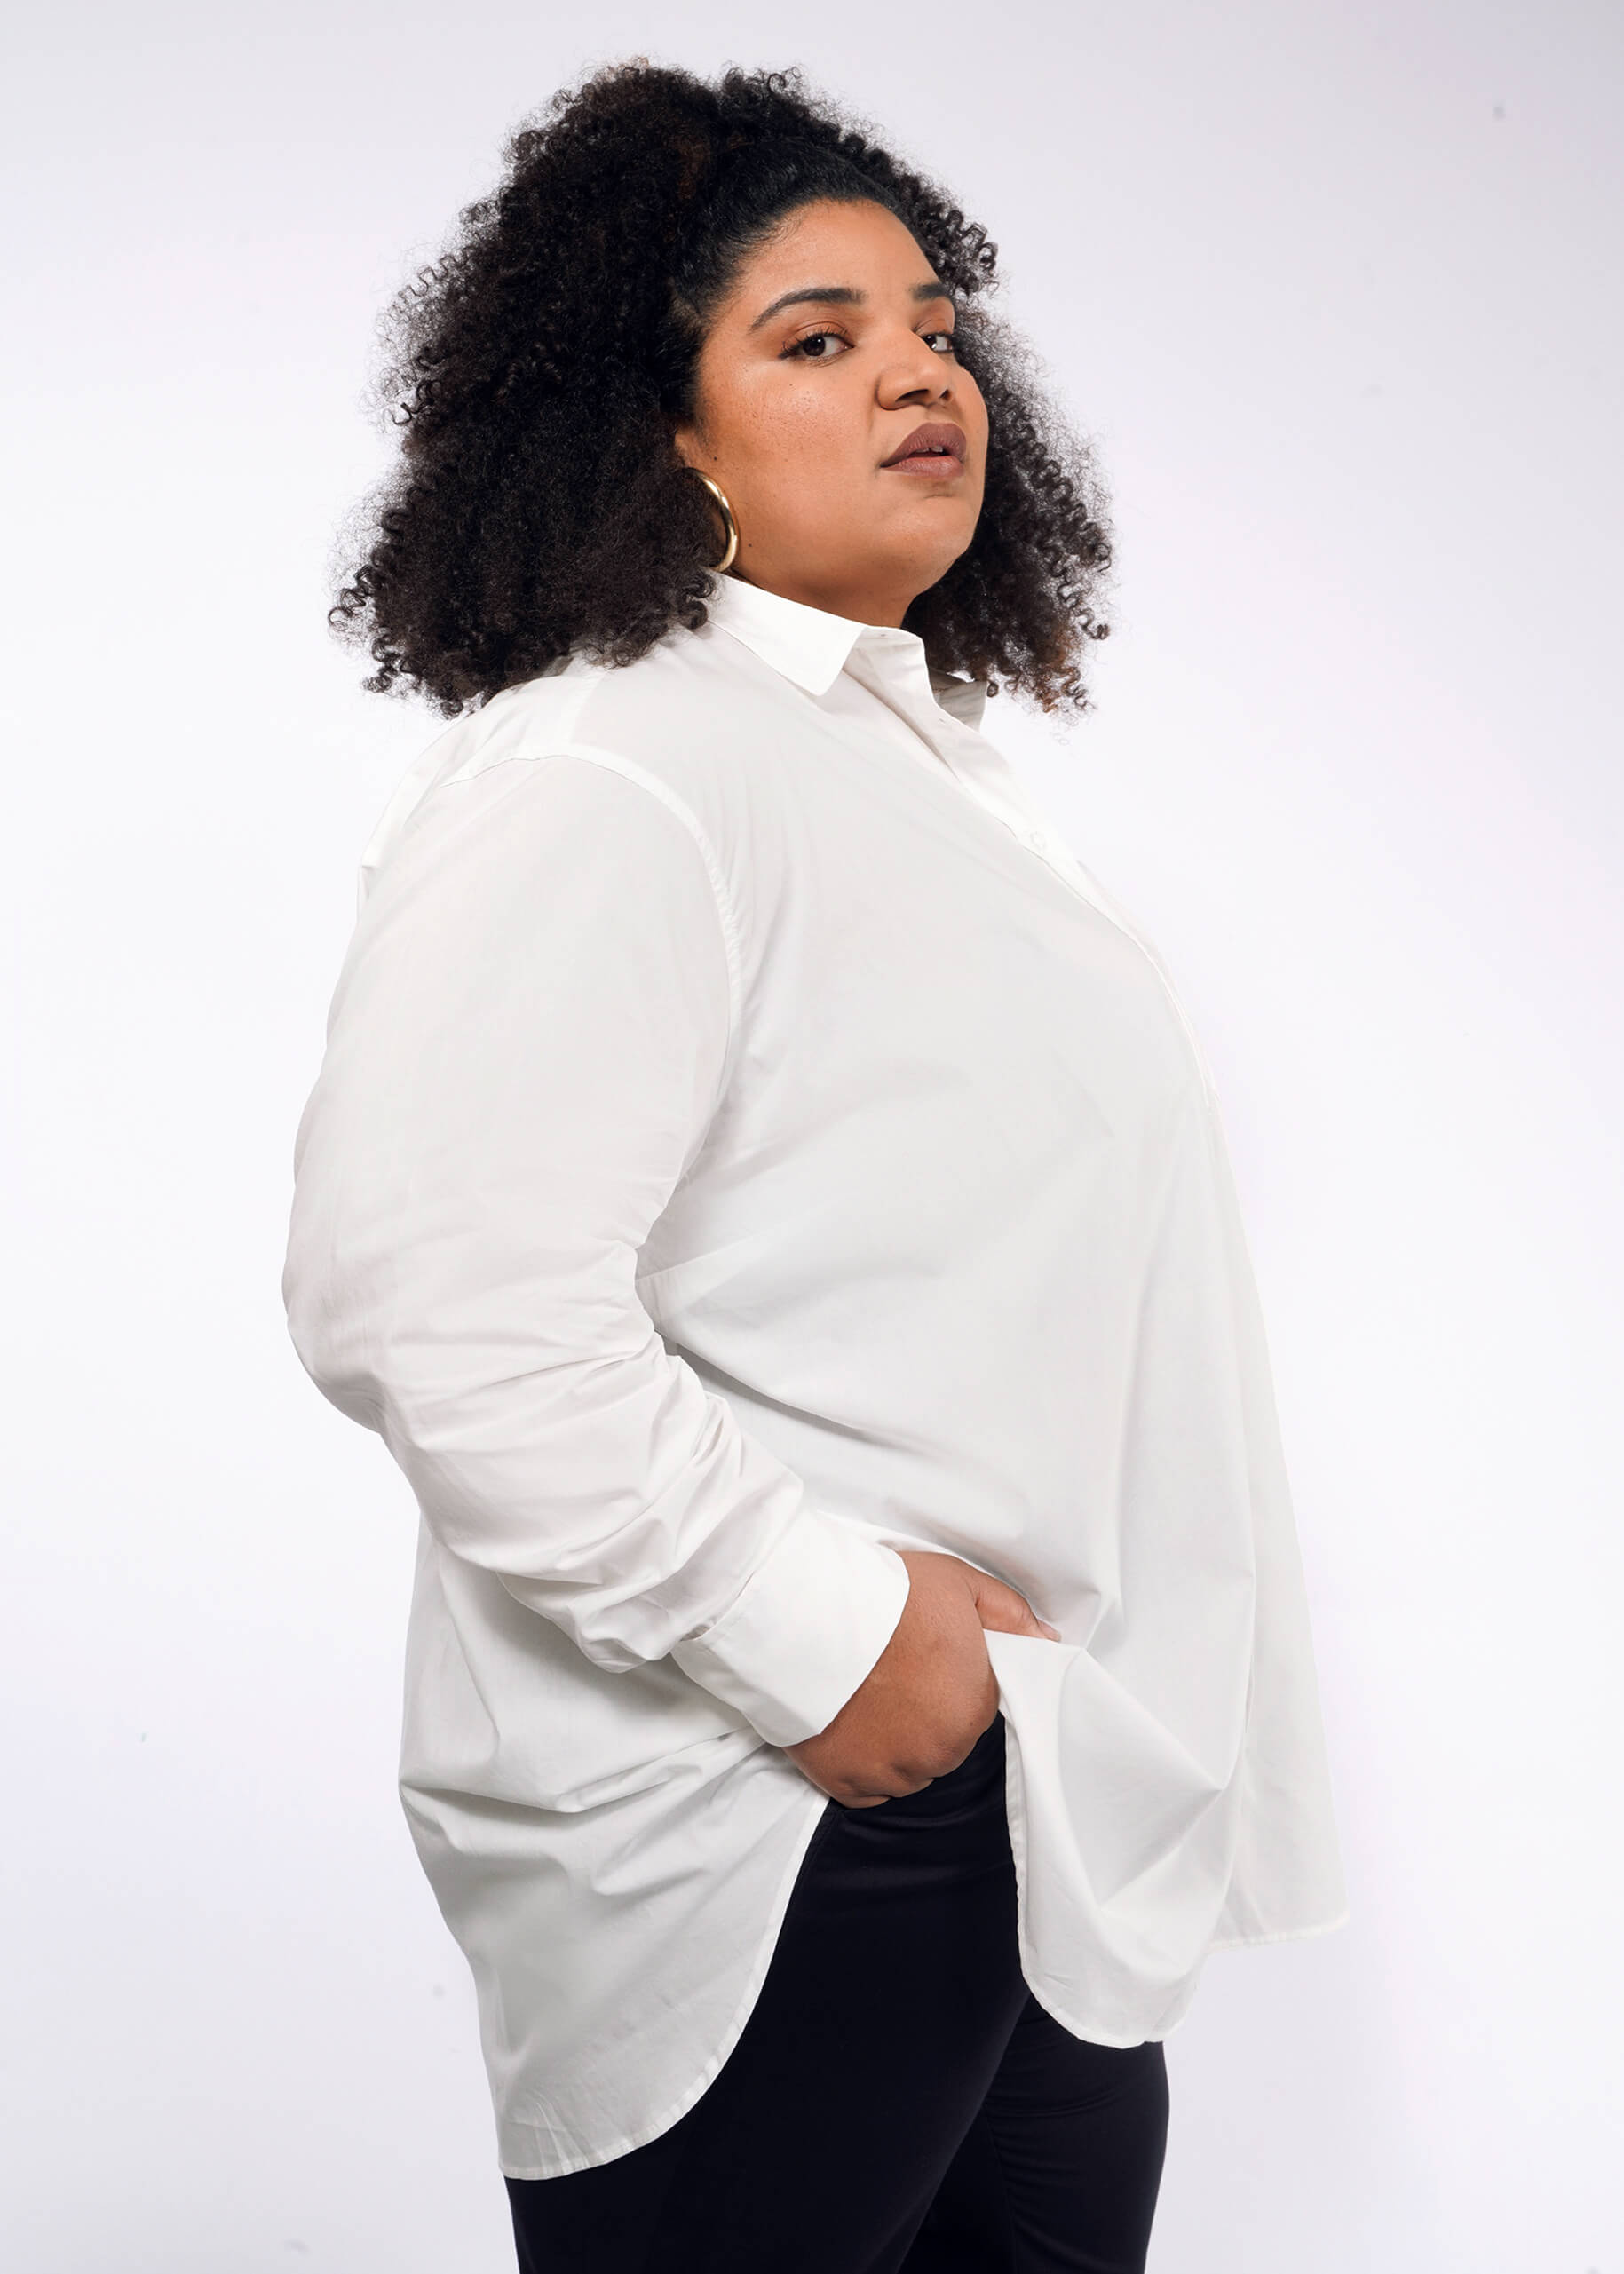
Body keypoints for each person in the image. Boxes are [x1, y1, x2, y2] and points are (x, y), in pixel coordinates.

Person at [282, 58, 1349, 2274]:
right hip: (780, 1804)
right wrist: (838, 1648)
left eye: (936, 326)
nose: (915, 372)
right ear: (655, 429)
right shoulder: (618, 763)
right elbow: (437, 1296)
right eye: (816, 335)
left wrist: (1000, 1720)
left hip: (1022, 1801)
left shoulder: (904, 779)